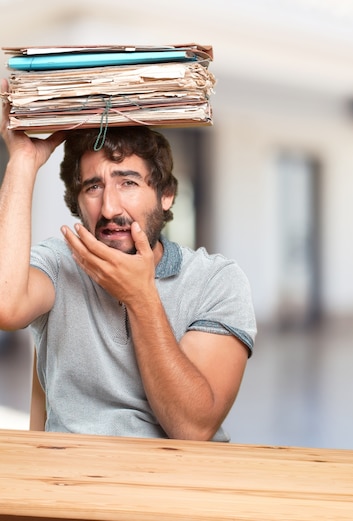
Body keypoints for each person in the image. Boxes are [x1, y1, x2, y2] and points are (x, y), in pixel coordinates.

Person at [0, 78, 256, 441]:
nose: (109, 207)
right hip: (75, 480)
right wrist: (22, 163)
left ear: (166, 195)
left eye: (128, 183)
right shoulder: (58, 263)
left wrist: (141, 297)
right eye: (93, 187)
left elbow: (193, 427)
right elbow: (6, 306)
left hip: (176, 484)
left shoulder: (216, 281)